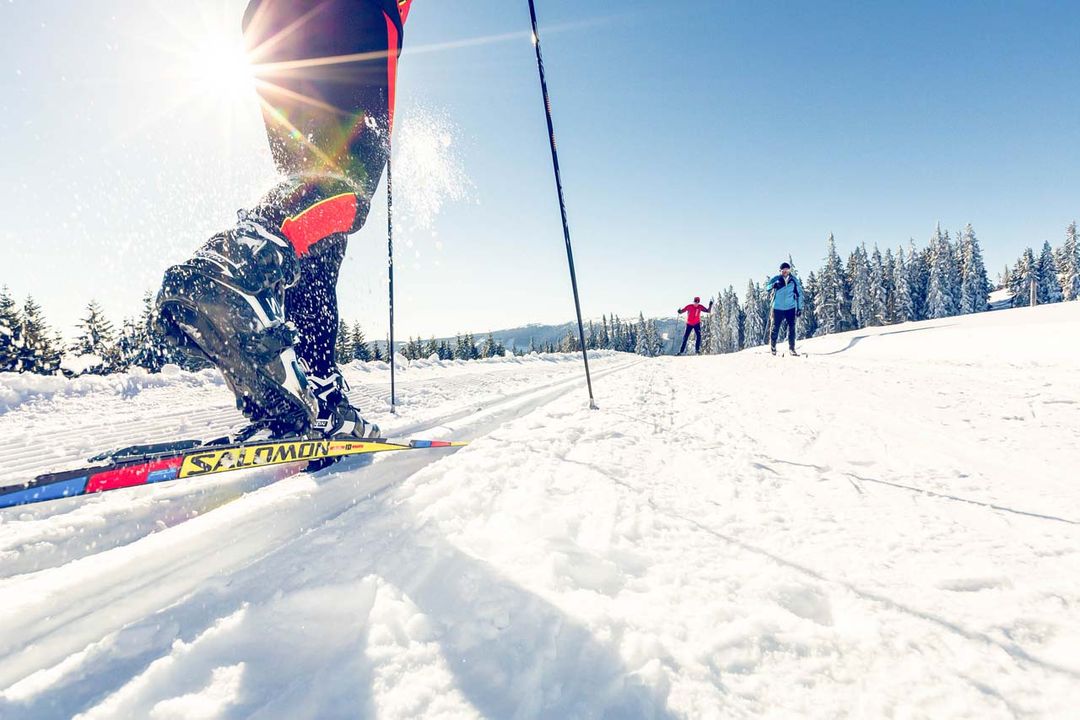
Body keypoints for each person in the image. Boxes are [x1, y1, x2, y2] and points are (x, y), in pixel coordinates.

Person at [154, 0, 413, 439]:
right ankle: (239, 263)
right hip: (355, 13)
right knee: (348, 184)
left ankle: (315, 388)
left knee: (316, 226)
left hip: (270, 23)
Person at [766, 262, 802, 356]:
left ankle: (792, 348)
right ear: (780, 271)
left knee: (792, 328)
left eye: (787, 270)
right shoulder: (776, 279)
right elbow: (767, 287)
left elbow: (799, 294)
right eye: (783, 270)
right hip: (778, 307)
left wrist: (799, 308)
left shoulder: (793, 280)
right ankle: (773, 347)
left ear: (789, 270)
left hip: (790, 307)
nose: (785, 271)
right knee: (775, 328)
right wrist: (774, 285)